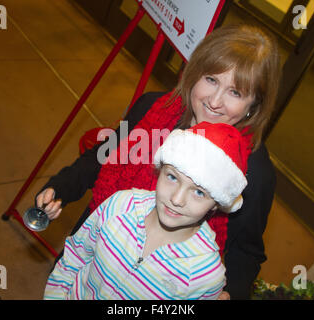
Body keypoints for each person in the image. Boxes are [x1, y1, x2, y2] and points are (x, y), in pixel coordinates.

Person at [37, 23, 281, 299]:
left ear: (254, 106)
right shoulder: (153, 108)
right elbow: (101, 157)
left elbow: (245, 252)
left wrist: (232, 294)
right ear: (194, 73)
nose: (214, 101)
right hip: (94, 259)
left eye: (235, 92)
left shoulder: (253, 171)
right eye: (211, 80)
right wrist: (60, 188)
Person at [44, 122, 252, 299]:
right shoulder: (120, 206)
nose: (176, 199)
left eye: (198, 192)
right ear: (159, 170)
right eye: (172, 177)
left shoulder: (205, 273)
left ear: (216, 203)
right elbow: (75, 256)